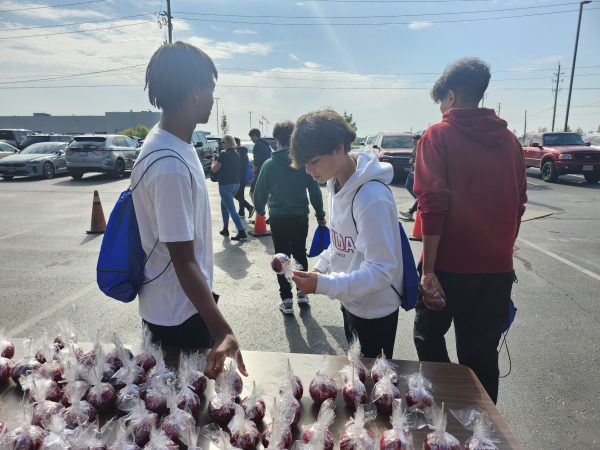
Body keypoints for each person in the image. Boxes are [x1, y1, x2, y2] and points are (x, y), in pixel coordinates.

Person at [413, 57, 527, 403]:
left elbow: (433, 205)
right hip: (496, 271)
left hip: (448, 268)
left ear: (450, 96)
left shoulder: (438, 136)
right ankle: (481, 430)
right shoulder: (510, 141)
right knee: (481, 355)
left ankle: (445, 405)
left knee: (427, 336)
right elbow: (519, 203)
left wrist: (429, 269)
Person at [131, 41, 246, 379]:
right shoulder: (169, 164)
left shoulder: (173, 143)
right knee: (181, 413)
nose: (213, 98)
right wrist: (222, 330)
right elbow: (183, 259)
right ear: (195, 91)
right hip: (177, 316)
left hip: (181, 305)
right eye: (211, 89)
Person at [290, 109, 403, 358]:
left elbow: (382, 271)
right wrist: (320, 268)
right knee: (355, 376)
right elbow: (340, 242)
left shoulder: (371, 197)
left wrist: (324, 284)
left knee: (375, 386)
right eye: (305, 163)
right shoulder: (335, 184)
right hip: (350, 301)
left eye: (314, 161)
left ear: (339, 148)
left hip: (375, 311)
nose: (308, 170)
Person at [253, 121, 326, 315]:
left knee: (281, 257)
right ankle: (303, 291)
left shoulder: (269, 165)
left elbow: (260, 192)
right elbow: (314, 191)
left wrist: (260, 211)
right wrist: (320, 214)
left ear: (277, 140)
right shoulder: (303, 164)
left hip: (278, 218)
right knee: (300, 253)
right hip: (300, 216)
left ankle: (286, 300)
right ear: (294, 138)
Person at [211, 135, 247, 241]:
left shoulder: (223, 154)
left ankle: (241, 232)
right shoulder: (237, 154)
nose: (221, 144)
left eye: (222, 142)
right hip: (236, 184)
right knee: (224, 206)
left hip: (225, 185)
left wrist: (213, 160)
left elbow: (214, 170)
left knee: (231, 209)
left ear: (227, 143)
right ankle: (225, 229)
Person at [398, 134, 421, 221]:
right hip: (413, 170)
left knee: (419, 193)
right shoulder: (416, 147)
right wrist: (411, 160)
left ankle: (412, 211)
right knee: (408, 186)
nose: (414, 143)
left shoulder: (423, 147)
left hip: (418, 172)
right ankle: (419, 204)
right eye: (413, 142)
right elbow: (412, 156)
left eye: (415, 141)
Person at [248, 128, 272, 200]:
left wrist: (254, 170)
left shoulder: (257, 145)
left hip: (260, 172)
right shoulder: (267, 144)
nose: (251, 139)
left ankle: (258, 210)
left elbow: (256, 161)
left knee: (252, 192)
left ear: (255, 136)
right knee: (267, 193)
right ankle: (269, 209)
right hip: (268, 171)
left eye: (251, 137)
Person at [234, 137, 254, 218]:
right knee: (240, 195)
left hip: (239, 177)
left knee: (235, 194)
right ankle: (241, 212)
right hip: (244, 176)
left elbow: (237, 166)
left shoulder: (238, 153)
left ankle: (249, 207)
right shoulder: (243, 152)